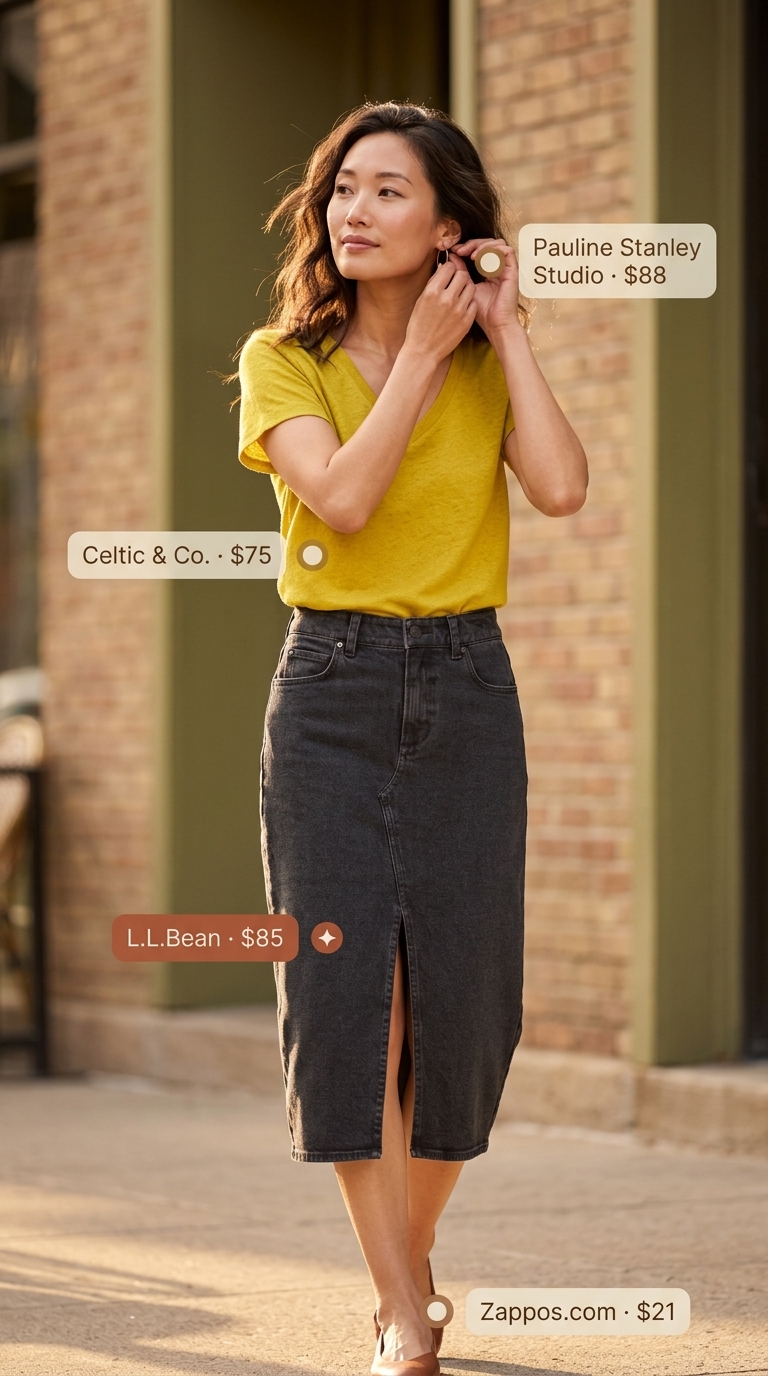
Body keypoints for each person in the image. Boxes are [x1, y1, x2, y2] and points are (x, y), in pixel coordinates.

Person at [237, 102, 588, 1375]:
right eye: (342, 188)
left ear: (451, 228)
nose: (352, 209)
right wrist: (426, 357)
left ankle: (406, 1260)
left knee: (466, 1002)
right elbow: (341, 493)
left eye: (389, 191)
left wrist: (504, 332)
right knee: (350, 1001)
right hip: (329, 688)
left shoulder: (485, 358)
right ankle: (402, 1307)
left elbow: (559, 486)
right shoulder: (282, 357)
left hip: (466, 682)